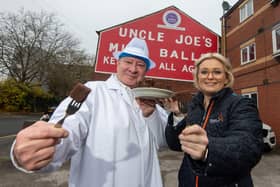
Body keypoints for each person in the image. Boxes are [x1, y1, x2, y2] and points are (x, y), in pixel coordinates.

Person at [10, 37, 168, 187]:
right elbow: (68, 129)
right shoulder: (93, 91)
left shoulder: (153, 105)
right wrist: (43, 149)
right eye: (128, 62)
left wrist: (150, 115)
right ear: (118, 63)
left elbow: (163, 142)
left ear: (146, 70)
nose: (133, 69)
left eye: (140, 65)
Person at [165, 53, 263, 187]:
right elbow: (175, 144)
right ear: (197, 77)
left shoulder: (241, 104)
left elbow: (249, 147)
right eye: (204, 72)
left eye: (217, 72)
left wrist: (208, 150)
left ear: (226, 77)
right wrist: (177, 115)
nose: (210, 77)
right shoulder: (195, 106)